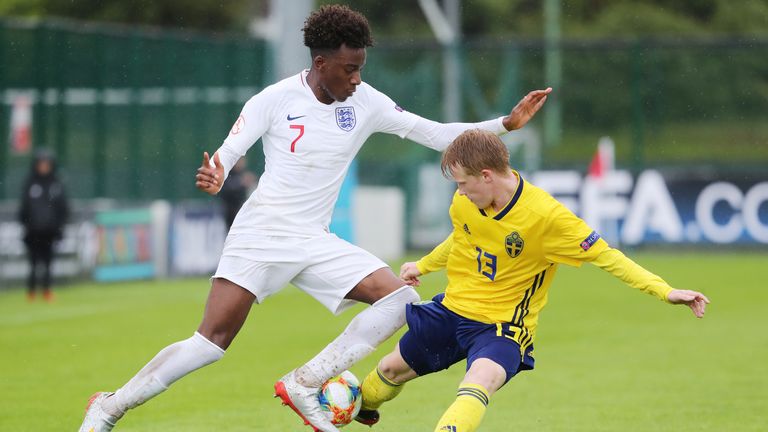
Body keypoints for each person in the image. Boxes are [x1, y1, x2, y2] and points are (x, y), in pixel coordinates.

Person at [78, 5, 551, 432]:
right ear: (320, 64)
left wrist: (503, 124)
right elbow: (229, 150)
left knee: (399, 297)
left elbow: (435, 133)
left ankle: (306, 382)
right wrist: (216, 172)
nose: (357, 79)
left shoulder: (365, 103)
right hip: (262, 232)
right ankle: (108, 407)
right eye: (349, 69)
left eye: (361, 68)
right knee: (211, 343)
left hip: (313, 238)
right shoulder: (275, 99)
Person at [354, 129, 711, 432]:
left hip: (502, 325)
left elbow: (607, 256)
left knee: (479, 381)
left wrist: (665, 290)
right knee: (388, 371)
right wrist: (425, 265)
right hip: (452, 309)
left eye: (464, 182)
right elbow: (463, 238)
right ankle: (351, 410)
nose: (459, 191)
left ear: (487, 174)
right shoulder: (464, 202)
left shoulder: (547, 218)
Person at [18, 149, 69, 302]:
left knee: (48, 262)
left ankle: (47, 290)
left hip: (50, 231)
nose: (44, 166)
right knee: (33, 263)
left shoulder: (56, 183)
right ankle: (31, 291)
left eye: (47, 163)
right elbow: (24, 208)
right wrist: (25, 226)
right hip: (33, 231)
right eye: (41, 163)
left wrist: (60, 227)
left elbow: (63, 208)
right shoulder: (31, 183)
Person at [217, 157, 256, 230]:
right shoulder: (227, 172)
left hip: (242, 212)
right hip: (230, 212)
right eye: (239, 160)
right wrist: (240, 182)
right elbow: (224, 188)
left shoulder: (243, 173)